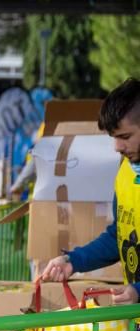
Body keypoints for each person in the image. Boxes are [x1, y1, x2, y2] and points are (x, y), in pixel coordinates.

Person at [39, 77, 140, 304]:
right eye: (114, 138)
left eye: (125, 137)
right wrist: (73, 261)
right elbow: (119, 236)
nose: (117, 147)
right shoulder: (126, 171)